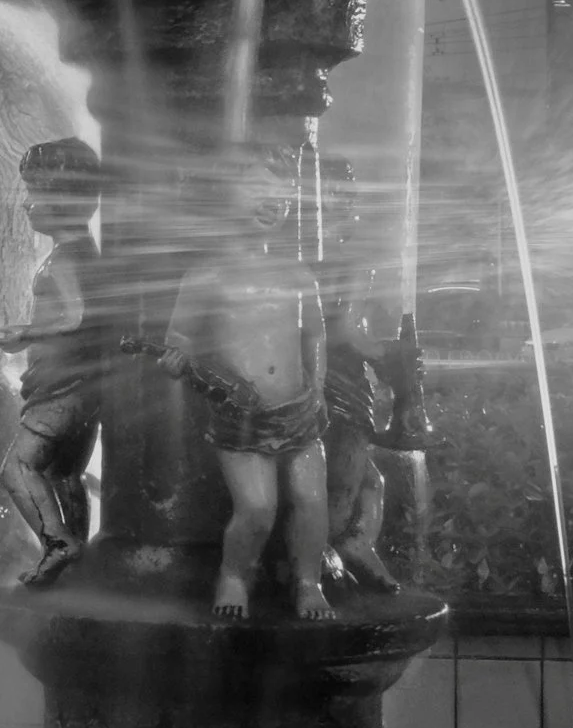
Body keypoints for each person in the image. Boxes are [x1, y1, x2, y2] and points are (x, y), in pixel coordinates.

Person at [158, 151, 333, 621]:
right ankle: (235, 574)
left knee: (313, 501)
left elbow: (315, 335)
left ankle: (309, 581)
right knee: (257, 507)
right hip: (241, 415)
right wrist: (176, 361)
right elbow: (179, 337)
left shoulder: (299, 275)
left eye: (282, 194)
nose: (273, 202)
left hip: (299, 409)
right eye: (259, 189)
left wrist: (317, 385)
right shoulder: (205, 277)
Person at [0, 139, 104, 587]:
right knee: (64, 474)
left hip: (61, 387)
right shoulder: (84, 252)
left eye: (35, 191)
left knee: (17, 468)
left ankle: (58, 543)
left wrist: (24, 334)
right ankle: (78, 563)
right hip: (83, 385)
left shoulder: (66, 259)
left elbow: (76, 317)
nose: (27, 203)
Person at [323, 269, 399, 591]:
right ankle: (321, 547)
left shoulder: (353, 268)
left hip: (344, 388)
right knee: (344, 481)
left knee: (370, 482)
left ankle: (356, 543)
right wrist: (386, 353)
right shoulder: (356, 267)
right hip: (338, 393)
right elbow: (346, 331)